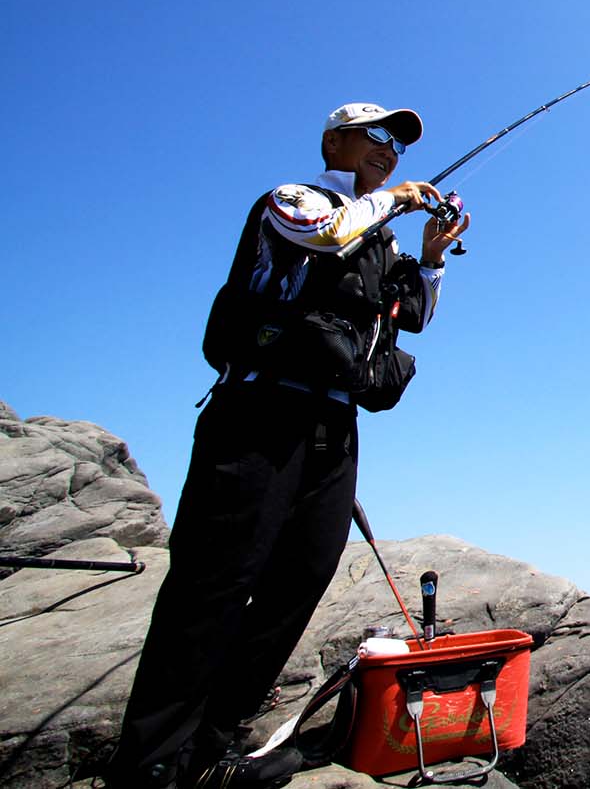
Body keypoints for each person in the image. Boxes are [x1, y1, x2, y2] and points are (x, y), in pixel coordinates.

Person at [106, 103, 471, 789]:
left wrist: (430, 255)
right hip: (258, 412)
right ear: (336, 140)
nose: (392, 150)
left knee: (296, 584)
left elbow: (412, 315)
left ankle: (211, 749)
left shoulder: (382, 239)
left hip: (333, 430)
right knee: (213, 587)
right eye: (379, 135)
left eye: (400, 144)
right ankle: (150, 763)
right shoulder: (293, 198)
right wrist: (393, 201)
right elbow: (327, 232)